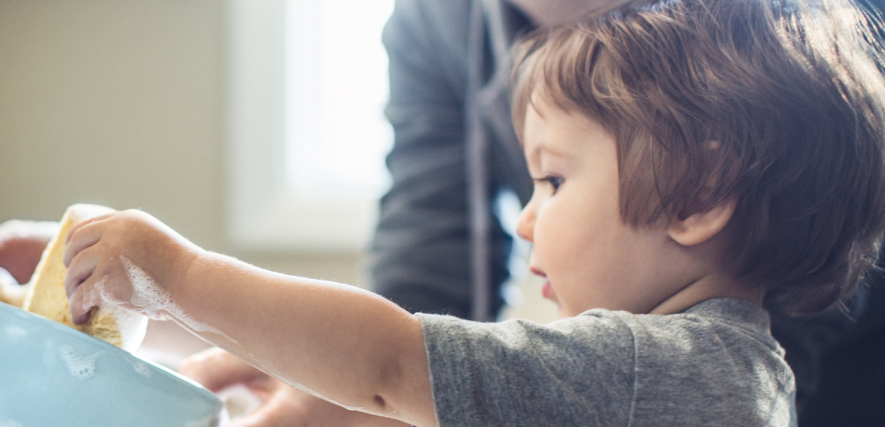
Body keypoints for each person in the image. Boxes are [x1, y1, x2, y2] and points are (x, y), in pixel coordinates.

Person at [58, 0, 885, 425]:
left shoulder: (652, 366)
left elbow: (388, 362)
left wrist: (180, 275)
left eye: (554, 182)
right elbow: (418, 311)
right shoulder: (730, 363)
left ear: (701, 195)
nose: (527, 220)